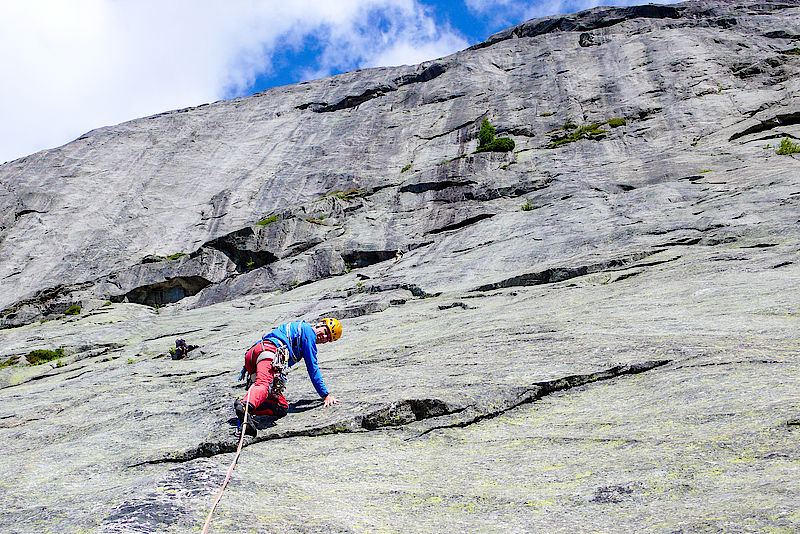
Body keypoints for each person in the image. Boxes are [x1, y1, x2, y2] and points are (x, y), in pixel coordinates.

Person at [234, 317, 342, 436]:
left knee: (281, 407)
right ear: (320, 324)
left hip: (255, 354)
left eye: (328, 339)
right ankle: (244, 406)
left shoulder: (298, 328)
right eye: (326, 332)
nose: (325, 337)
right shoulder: (308, 332)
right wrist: (325, 395)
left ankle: (245, 415)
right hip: (269, 353)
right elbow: (312, 367)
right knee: (263, 385)